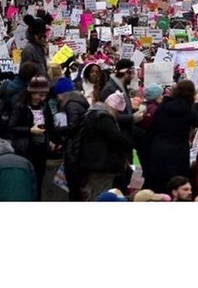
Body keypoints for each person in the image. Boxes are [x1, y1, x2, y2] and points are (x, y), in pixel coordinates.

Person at [143, 80, 198, 194]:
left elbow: (153, 127)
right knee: (177, 184)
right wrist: (197, 103)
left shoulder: (162, 106)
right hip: (178, 152)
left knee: (158, 186)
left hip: (158, 149)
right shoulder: (188, 110)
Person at [78, 90, 132, 201]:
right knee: (101, 194)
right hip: (102, 164)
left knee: (93, 192)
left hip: (93, 163)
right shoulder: (103, 118)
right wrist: (129, 144)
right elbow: (116, 138)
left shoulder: (93, 114)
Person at [99, 58, 143, 192]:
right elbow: (109, 116)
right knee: (120, 179)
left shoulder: (119, 86)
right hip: (118, 140)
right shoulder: (111, 89)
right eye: (132, 73)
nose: (134, 76)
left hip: (123, 138)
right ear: (127, 73)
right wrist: (132, 118)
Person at [8, 76, 54, 200]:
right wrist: (29, 130)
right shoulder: (21, 106)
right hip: (26, 149)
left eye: (44, 95)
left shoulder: (44, 106)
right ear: (32, 92)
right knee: (26, 180)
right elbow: (12, 127)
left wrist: (52, 139)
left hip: (41, 148)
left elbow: (50, 124)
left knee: (39, 180)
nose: (42, 98)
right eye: (40, 95)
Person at [53, 77, 89, 201]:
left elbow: (73, 127)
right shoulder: (78, 101)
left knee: (74, 185)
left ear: (62, 94)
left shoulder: (71, 104)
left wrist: (56, 129)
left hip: (75, 149)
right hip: (80, 147)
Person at [21, 14, 53, 78]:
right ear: (36, 36)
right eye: (43, 36)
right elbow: (27, 75)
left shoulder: (39, 47)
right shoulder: (29, 50)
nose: (45, 39)